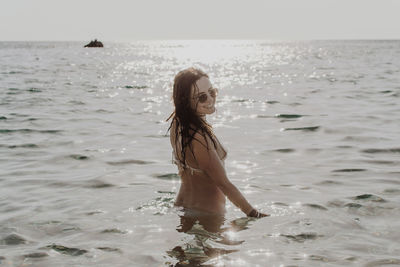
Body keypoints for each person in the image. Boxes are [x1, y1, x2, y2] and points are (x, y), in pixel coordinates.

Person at [167, 67, 268, 218]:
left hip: (183, 208)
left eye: (212, 92)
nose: (210, 99)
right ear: (186, 101)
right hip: (206, 215)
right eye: (201, 97)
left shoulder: (178, 124)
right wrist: (254, 214)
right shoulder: (199, 138)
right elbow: (223, 184)